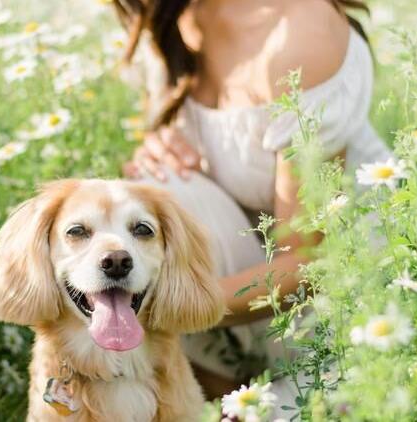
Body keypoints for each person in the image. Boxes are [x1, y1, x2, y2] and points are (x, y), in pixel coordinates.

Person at [111, 0, 392, 415]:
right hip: (240, 282)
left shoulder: (297, 35)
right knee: (141, 200)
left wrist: (166, 304)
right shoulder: (168, 11)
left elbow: (308, 262)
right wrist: (156, 151)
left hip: (337, 301)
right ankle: (216, 393)